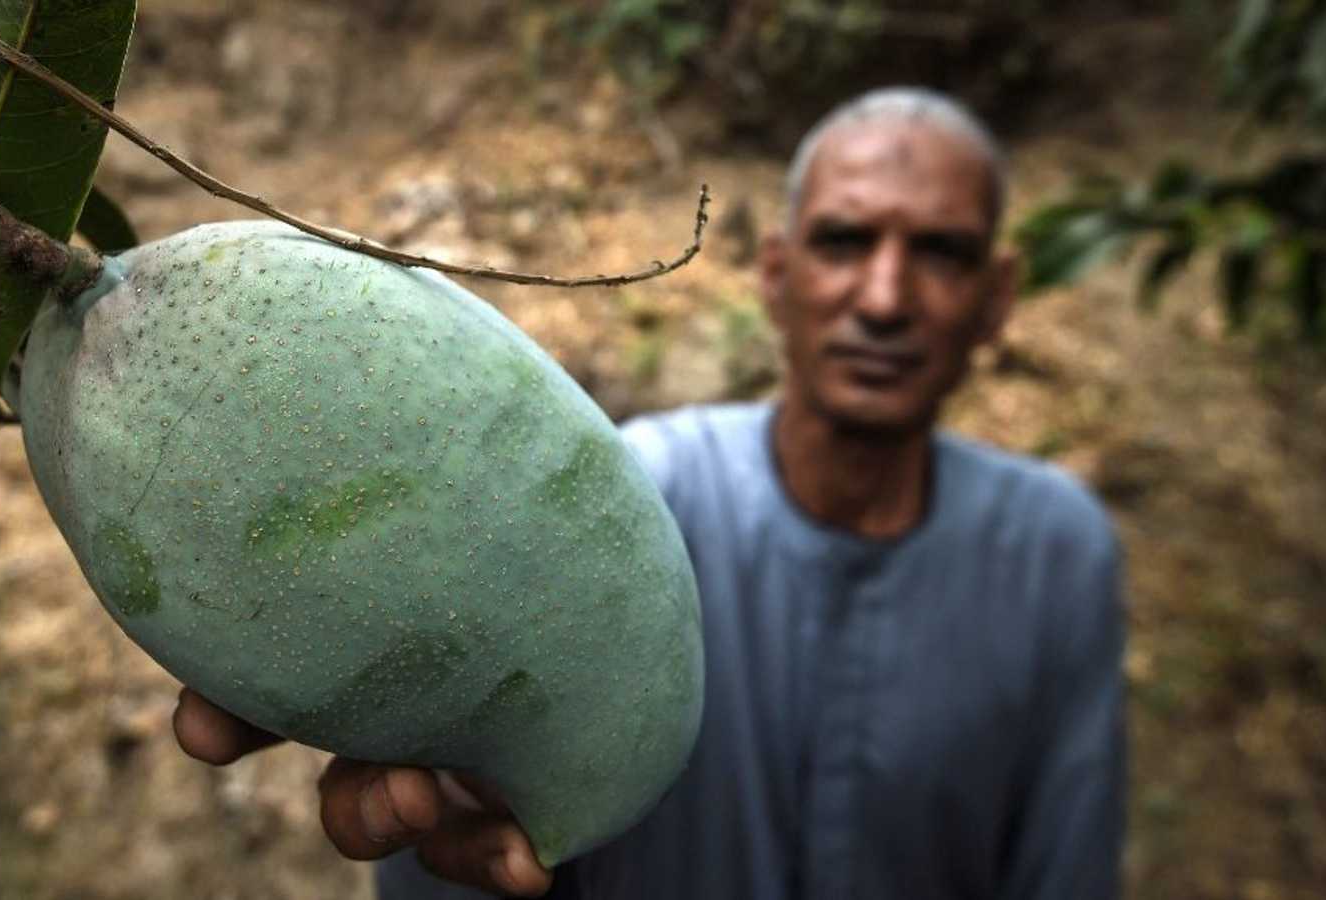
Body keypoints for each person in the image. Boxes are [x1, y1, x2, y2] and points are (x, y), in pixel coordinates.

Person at [171, 86, 1127, 899]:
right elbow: (485, 839)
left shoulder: (1054, 554)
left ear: (998, 296)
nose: (884, 296)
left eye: (942, 253)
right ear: (777, 274)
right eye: (843, 241)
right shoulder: (628, 505)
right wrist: (467, 772)